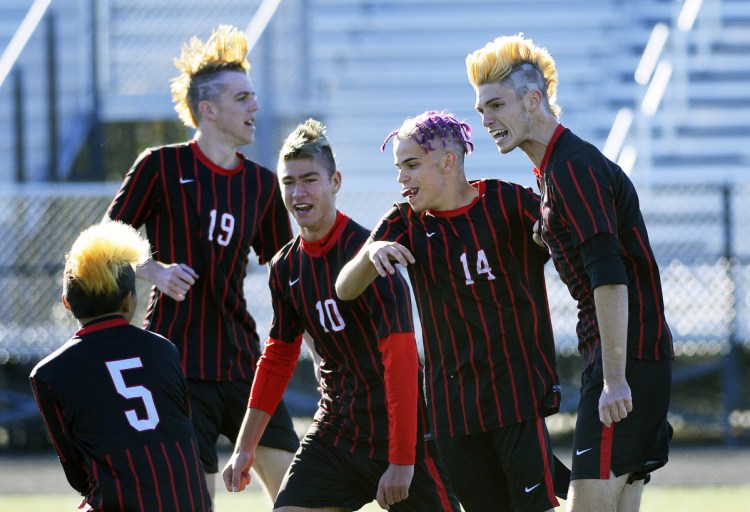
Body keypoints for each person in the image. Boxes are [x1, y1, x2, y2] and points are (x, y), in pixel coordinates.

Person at [466, 34, 675, 512]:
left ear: (533, 100)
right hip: (639, 353)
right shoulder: (555, 172)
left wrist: (615, 377)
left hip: (625, 359)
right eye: (481, 110)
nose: (486, 121)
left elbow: (611, 278)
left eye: (496, 105)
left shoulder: (571, 170)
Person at [221, 119, 460, 511]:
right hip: (338, 432)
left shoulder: (371, 257)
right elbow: (278, 358)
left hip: (404, 435)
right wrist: (246, 448)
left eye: (310, 179)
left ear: (335, 182)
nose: (298, 192)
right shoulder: (285, 268)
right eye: (288, 182)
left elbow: (401, 362)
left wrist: (401, 462)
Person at [105, 25, 298, 501]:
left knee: (301, 496)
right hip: (175, 366)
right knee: (193, 501)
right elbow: (104, 239)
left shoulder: (262, 183)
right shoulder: (160, 166)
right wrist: (153, 269)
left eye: (254, 97)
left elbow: (288, 272)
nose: (255, 107)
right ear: (208, 110)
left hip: (242, 362)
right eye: (243, 98)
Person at [335, 110, 563, 512]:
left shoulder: (507, 201)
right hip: (451, 410)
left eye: (410, 165)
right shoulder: (405, 221)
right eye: (397, 168)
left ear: (447, 161)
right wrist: (371, 253)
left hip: (516, 397)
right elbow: (344, 288)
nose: (401, 178)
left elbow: (563, 238)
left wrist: (551, 233)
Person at [29, 221, 211, 511]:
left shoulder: (49, 374)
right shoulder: (165, 350)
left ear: (67, 303)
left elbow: (76, 472)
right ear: (129, 301)